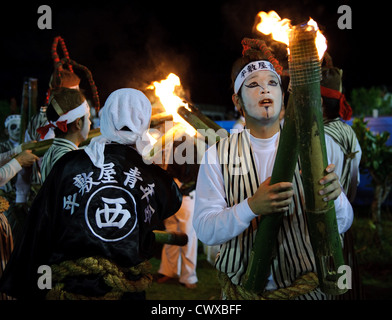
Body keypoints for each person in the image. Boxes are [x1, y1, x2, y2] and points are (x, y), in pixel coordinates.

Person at [193, 40, 354, 300]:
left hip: (306, 293)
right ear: (237, 100)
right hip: (244, 293)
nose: (264, 90)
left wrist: (335, 198)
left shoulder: (312, 148)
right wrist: (251, 207)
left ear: (283, 93)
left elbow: (343, 223)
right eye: (253, 85)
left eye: (272, 83)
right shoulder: (217, 155)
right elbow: (205, 229)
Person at [0, 88, 182, 300]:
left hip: (73, 289)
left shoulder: (69, 164)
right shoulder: (152, 174)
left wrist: (26, 282)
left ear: (104, 121)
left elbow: (40, 228)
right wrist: (159, 170)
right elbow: (172, 202)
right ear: (145, 124)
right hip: (122, 292)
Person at [321, 55, 363, 300]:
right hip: (345, 224)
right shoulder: (350, 132)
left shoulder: (320, 139)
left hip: (326, 229)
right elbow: (355, 183)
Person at [157, 137, 199, 289]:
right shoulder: (166, 144)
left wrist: (179, 185)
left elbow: (193, 174)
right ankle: (170, 271)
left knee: (188, 237)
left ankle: (189, 277)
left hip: (185, 197)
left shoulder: (188, 145)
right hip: (170, 197)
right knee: (171, 233)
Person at [38, 87, 91, 182]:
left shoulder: (51, 151)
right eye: (88, 118)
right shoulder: (70, 159)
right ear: (78, 123)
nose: (90, 123)